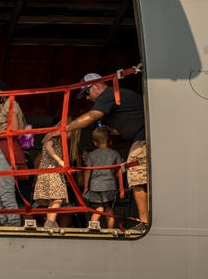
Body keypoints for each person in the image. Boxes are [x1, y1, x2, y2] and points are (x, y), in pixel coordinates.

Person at [66, 73, 148, 225]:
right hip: (143, 139)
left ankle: (144, 223)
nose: (87, 98)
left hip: (143, 140)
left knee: (137, 179)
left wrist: (64, 129)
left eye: (87, 92)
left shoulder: (108, 95)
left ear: (96, 86)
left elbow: (90, 117)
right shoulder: (116, 96)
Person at [0, 78, 28, 227]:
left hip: (6, 151)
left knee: (6, 194)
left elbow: (13, 129)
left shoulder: (11, 103)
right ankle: (6, 225)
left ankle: (14, 225)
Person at [83, 126, 124, 230]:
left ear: (94, 143)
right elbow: (122, 168)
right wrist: (115, 175)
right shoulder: (114, 153)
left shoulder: (92, 155)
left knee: (98, 209)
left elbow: (87, 170)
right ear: (110, 141)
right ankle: (110, 232)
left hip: (95, 187)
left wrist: (86, 187)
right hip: (109, 186)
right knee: (109, 211)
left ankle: (92, 229)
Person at [33, 128, 69, 229]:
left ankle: (51, 222)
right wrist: (60, 161)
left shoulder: (52, 136)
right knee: (59, 196)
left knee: (52, 199)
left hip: (47, 170)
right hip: (52, 170)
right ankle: (50, 221)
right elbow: (49, 147)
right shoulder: (55, 136)